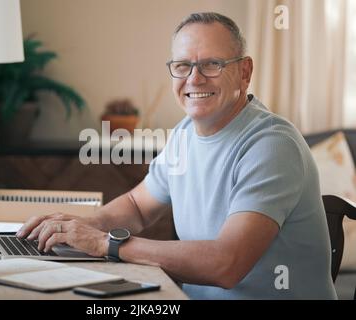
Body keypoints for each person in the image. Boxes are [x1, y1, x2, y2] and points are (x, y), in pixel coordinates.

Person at [17, 12, 337, 299]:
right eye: (183, 66)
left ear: (244, 71)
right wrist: (83, 226)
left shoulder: (271, 144)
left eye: (212, 64)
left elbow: (227, 264)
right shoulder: (184, 133)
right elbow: (137, 207)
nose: (194, 79)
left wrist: (106, 244)